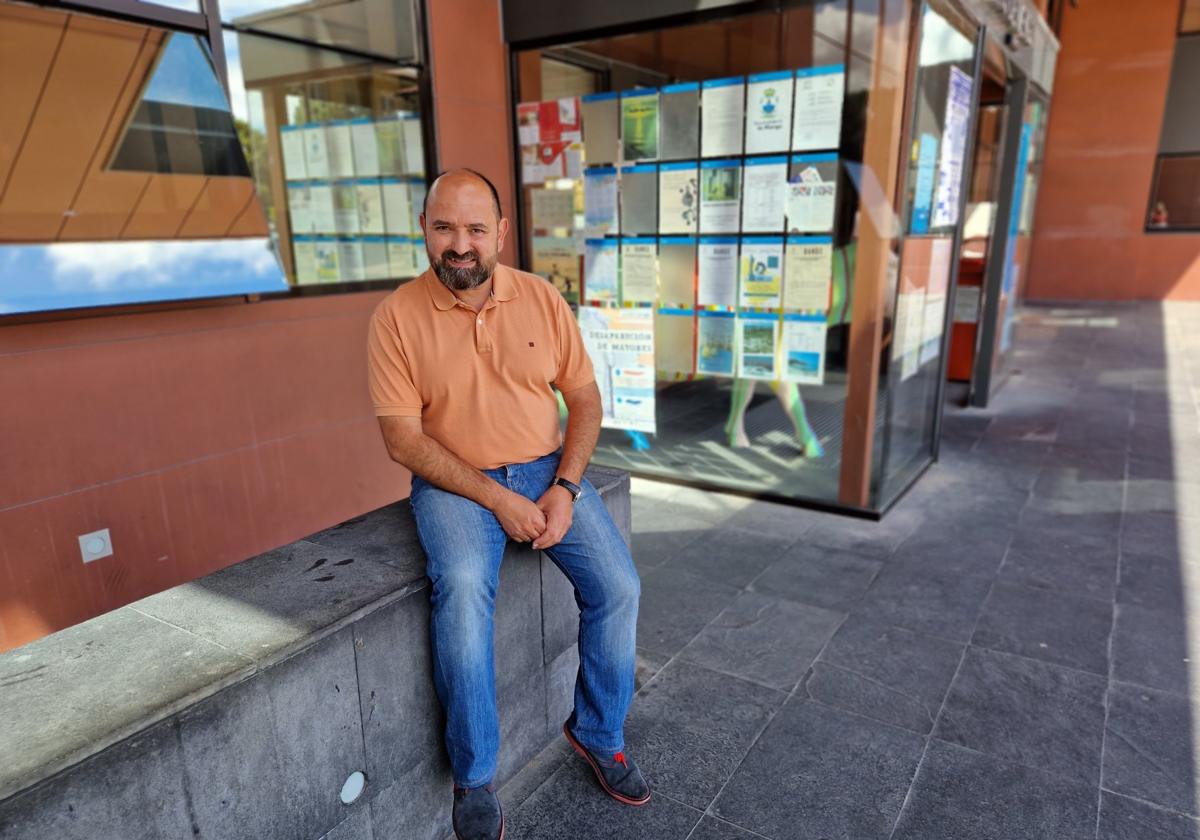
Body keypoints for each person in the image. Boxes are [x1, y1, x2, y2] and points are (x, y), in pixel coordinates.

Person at [366, 169, 648, 840]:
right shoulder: (395, 317)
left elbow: (583, 398)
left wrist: (564, 487)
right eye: (443, 228)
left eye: (474, 229)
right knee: (462, 591)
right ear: (425, 230)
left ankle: (598, 732)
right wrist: (498, 499)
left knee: (619, 587)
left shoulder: (541, 298)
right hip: (454, 483)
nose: (459, 245)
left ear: (501, 233)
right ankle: (475, 776)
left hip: (548, 471)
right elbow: (403, 441)